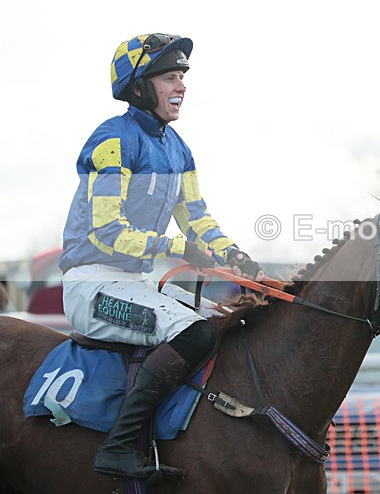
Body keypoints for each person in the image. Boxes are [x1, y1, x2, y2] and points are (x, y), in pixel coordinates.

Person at [58, 33, 264, 479]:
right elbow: (107, 230)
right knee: (194, 333)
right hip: (90, 287)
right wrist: (175, 248)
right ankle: (118, 447)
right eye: (170, 77)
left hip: (136, 285)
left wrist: (234, 254)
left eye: (183, 77)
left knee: (230, 323)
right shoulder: (112, 139)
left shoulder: (178, 148)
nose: (182, 86)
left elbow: (196, 218)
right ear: (140, 87)